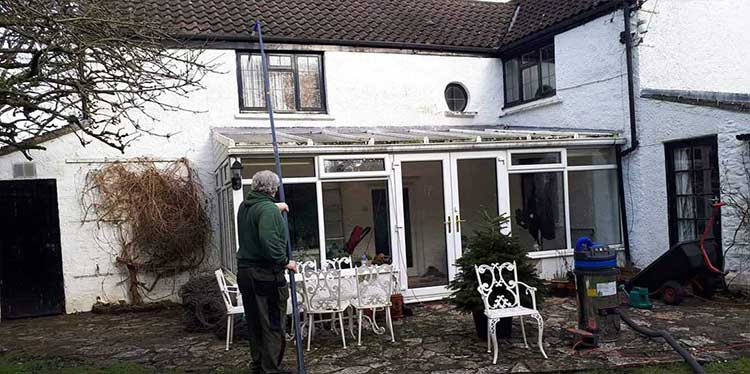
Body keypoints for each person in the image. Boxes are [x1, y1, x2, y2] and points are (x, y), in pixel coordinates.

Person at [236, 170, 297, 374]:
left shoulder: (244, 207)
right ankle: (271, 369)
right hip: (265, 276)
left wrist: (274, 208)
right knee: (273, 323)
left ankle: (258, 365)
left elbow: (259, 216)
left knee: (254, 323)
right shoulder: (268, 210)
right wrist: (285, 262)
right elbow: (269, 241)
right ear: (274, 189)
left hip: (244, 273)